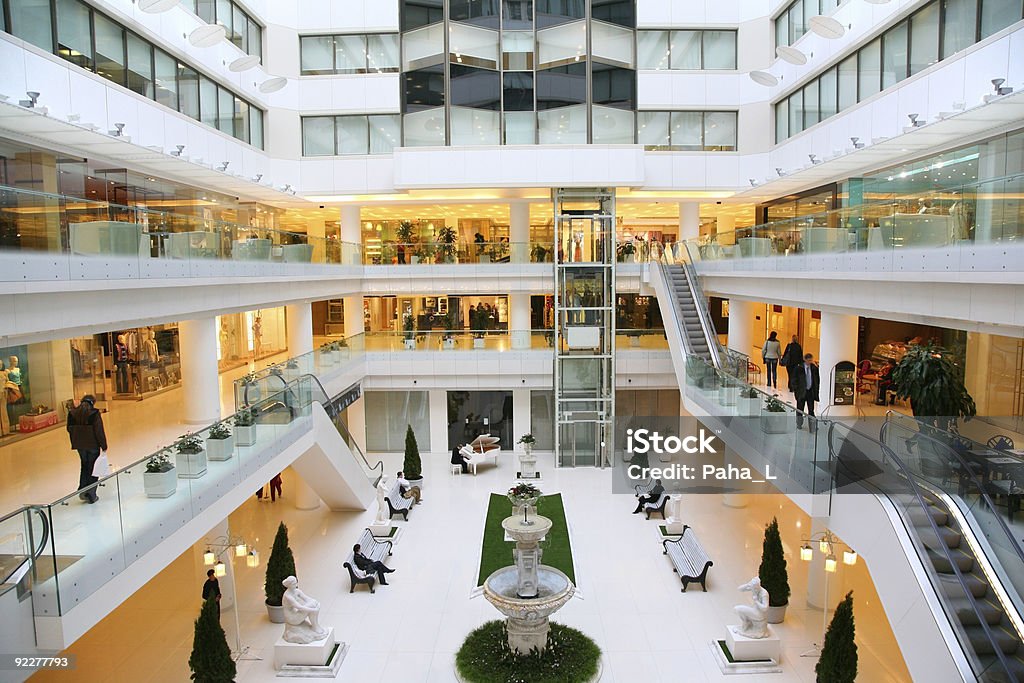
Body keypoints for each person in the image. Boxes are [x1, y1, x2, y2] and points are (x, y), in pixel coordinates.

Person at [67, 394, 107, 503]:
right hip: (93, 444)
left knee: (84, 466)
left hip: (79, 445)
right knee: (93, 468)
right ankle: (91, 493)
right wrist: (104, 445)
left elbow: (69, 429)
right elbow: (99, 431)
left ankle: (83, 490)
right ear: (92, 402)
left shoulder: (72, 413)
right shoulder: (94, 413)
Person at [793, 353, 821, 431]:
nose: (810, 362)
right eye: (808, 360)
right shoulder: (799, 368)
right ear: (805, 360)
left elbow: (817, 380)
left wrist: (816, 391)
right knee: (800, 409)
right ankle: (799, 423)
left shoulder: (814, 368)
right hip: (801, 392)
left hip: (810, 392)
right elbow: (794, 380)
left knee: (811, 410)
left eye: (811, 360)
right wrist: (796, 391)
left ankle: (812, 426)